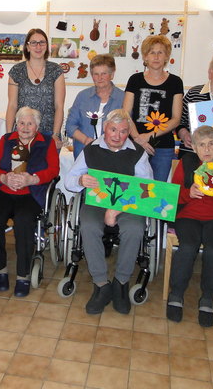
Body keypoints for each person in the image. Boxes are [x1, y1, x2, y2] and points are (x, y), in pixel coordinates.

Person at [64, 109, 153, 315]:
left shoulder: (137, 153)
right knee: (88, 225)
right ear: (105, 129)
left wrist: (116, 209)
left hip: (129, 203)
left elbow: (148, 188)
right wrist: (80, 180)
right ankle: (101, 283)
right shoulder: (91, 149)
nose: (117, 136)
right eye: (113, 130)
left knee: (134, 228)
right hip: (98, 202)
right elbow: (69, 180)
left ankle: (121, 281)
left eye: (123, 131)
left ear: (128, 132)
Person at [167, 125, 213, 327]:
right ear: (194, 148)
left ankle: (208, 297)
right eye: (202, 145)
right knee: (188, 247)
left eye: (211, 144)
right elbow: (171, 197)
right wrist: (187, 193)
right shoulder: (187, 163)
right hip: (188, 215)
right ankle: (176, 293)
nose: (207, 149)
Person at [0, 107, 59, 297]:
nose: (25, 127)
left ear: (37, 126)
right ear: (16, 124)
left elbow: (53, 170)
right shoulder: (6, 140)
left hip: (31, 193)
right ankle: (0, 268)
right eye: (21, 123)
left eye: (30, 123)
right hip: (3, 189)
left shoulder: (47, 142)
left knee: (24, 221)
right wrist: (3, 177)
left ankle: (22, 274)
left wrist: (32, 179)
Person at [122, 35, 183, 182]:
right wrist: (138, 138)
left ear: (166, 56)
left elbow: (176, 119)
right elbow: (125, 113)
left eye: (160, 52)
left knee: (154, 193)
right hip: (134, 144)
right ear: (145, 57)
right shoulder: (135, 80)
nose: (156, 57)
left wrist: (148, 137)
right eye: (152, 52)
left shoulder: (175, 82)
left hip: (163, 148)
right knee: (133, 190)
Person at [5, 28, 66, 147]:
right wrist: (8, 135)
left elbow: (59, 106)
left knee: (47, 166)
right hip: (22, 133)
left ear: (46, 46)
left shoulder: (56, 70)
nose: (38, 46)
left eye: (42, 42)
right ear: (27, 47)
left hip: (48, 134)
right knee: (21, 166)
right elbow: (12, 105)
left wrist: (55, 134)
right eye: (33, 43)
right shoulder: (16, 71)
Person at [65, 54, 125, 158]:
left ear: (112, 74)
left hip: (113, 155)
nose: (99, 78)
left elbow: (127, 128)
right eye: (96, 74)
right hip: (84, 153)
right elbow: (70, 126)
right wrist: (86, 140)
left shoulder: (123, 98)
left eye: (104, 74)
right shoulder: (83, 96)